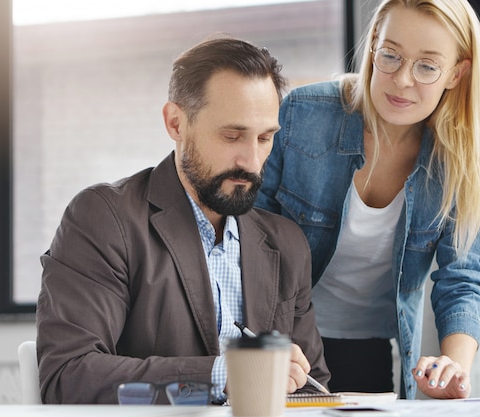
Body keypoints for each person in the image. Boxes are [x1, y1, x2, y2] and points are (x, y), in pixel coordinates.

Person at [36, 35, 330, 404]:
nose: (252, 161)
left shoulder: (286, 243)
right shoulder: (103, 218)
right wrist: (226, 374)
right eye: (231, 135)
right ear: (176, 123)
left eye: (265, 138)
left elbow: (313, 391)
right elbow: (69, 378)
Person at [255, 0, 480, 400]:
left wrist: (454, 369)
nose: (402, 81)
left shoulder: (464, 162)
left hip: (370, 348)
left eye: (427, 66)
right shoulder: (303, 115)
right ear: (374, 44)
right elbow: (247, 238)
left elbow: (463, 278)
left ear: (456, 72)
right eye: (391, 56)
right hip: (283, 341)